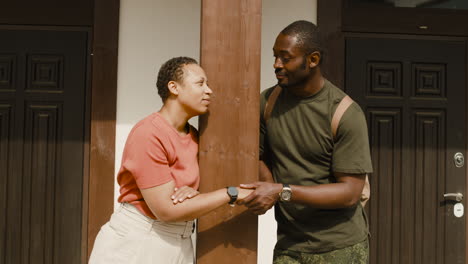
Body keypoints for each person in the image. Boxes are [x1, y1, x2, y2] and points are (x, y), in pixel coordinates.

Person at [89, 56, 252, 264]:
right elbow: (166, 209)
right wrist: (231, 193)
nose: (209, 90)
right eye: (200, 83)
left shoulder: (194, 136)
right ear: (174, 87)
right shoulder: (148, 133)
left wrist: (193, 194)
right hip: (140, 239)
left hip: (180, 241)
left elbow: (179, 200)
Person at [238, 21, 373, 263]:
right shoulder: (267, 103)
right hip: (289, 245)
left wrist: (282, 192)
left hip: (340, 248)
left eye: (285, 58)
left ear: (312, 60)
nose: (276, 65)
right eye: (275, 56)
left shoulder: (345, 113)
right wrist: (268, 186)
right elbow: (255, 154)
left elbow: (350, 192)